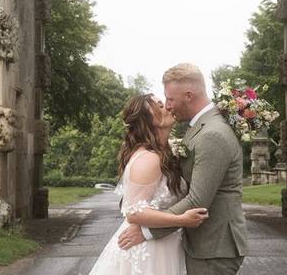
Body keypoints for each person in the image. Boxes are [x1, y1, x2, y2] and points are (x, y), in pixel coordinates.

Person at [117, 63, 247, 275]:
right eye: (162, 103)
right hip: (191, 246)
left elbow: (197, 201)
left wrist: (148, 232)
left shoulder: (211, 134)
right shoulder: (195, 130)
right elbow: (135, 207)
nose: (168, 106)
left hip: (213, 246)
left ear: (188, 95)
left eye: (169, 99)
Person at [88, 92, 209, 275]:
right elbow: (135, 213)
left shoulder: (165, 153)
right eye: (159, 106)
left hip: (166, 246)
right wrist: (181, 219)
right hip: (148, 252)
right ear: (149, 120)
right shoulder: (148, 159)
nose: (167, 107)